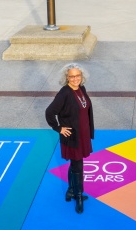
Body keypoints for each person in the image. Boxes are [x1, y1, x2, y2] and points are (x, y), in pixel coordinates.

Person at [46, 63, 94, 214]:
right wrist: (58, 128)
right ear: (66, 78)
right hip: (73, 136)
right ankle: (79, 196)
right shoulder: (64, 93)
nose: (75, 79)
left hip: (83, 134)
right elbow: (50, 112)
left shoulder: (82, 89)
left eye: (78, 75)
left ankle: (71, 190)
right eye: (72, 76)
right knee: (78, 165)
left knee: (75, 163)